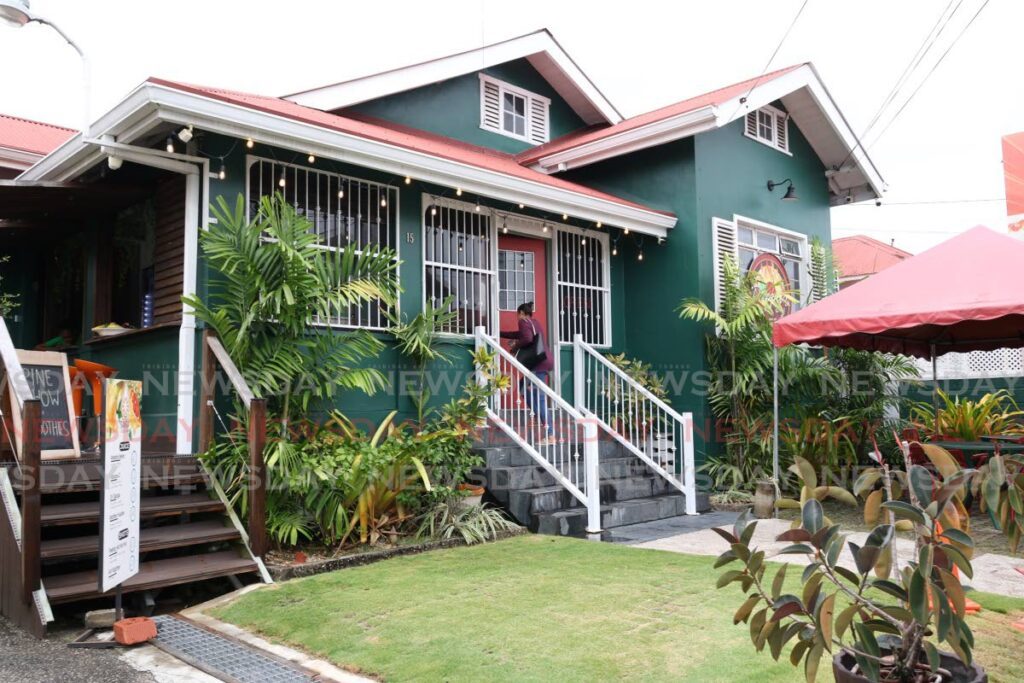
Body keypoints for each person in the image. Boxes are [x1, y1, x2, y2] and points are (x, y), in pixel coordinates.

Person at [501, 302, 556, 445]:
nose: (517, 317)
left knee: (540, 398)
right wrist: (499, 333)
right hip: (545, 360)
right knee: (523, 388)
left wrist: (514, 347)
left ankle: (550, 435)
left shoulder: (523, 321)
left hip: (538, 363)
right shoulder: (534, 322)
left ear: (520, 313)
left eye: (517, 314)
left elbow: (527, 339)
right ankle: (539, 417)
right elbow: (520, 335)